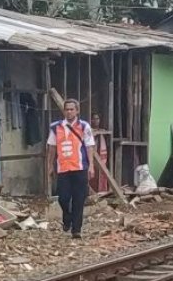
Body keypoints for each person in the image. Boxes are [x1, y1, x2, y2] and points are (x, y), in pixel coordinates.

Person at [47, 99, 95, 239]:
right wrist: (50, 165)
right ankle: (67, 218)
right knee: (63, 198)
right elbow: (51, 147)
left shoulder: (84, 126)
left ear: (77, 111)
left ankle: (76, 229)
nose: (69, 112)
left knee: (79, 199)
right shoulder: (56, 127)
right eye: (66, 109)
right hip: (63, 168)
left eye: (71, 109)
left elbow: (89, 146)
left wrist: (91, 165)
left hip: (80, 167)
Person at [90, 113, 108, 192]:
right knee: (93, 175)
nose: (96, 121)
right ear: (91, 120)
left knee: (101, 174)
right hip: (92, 156)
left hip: (101, 157)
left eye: (97, 119)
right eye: (94, 119)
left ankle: (102, 191)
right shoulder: (89, 130)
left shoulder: (102, 131)